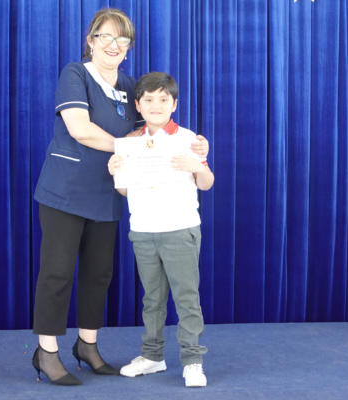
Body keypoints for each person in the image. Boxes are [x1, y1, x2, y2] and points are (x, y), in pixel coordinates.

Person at [32, 8, 211, 386]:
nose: (113, 45)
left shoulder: (131, 86)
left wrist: (195, 145)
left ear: (128, 47)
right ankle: (46, 352)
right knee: (57, 273)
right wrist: (127, 148)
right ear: (91, 40)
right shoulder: (76, 74)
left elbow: (154, 129)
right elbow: (80, 129)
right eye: (105, 37)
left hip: (110, 193)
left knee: (99, 274)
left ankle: (87, 346)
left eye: (122, 39)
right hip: (65, 191)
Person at [108, 72, 215, 387]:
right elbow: (125, 190)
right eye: (149, 99)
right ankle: (153, 356)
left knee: (186, 297)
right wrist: (115, 172)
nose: (156, 105)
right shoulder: (130, 142)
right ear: (138, 105)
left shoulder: (188, 138)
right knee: (152, 299)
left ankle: (193, 361)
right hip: (142, 230)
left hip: (180, 229)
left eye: (163, 99)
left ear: (174, 104)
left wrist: (196, 167)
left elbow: (207, 183)